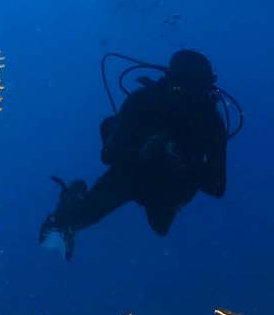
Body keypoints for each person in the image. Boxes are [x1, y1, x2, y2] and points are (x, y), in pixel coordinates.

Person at [41, 49, 231, 259]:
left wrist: (183, 160)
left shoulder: (210, 122)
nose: (187, 98)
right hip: (132, 172)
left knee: (161, 227)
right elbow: (108, 156)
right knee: (79, 216)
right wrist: (143, 148)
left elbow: (217, 187)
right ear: (169, 81)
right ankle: (69, 205)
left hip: (173, 184)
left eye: (196, 89)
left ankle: (73, 211)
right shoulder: (144, 101)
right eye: (181, 87)